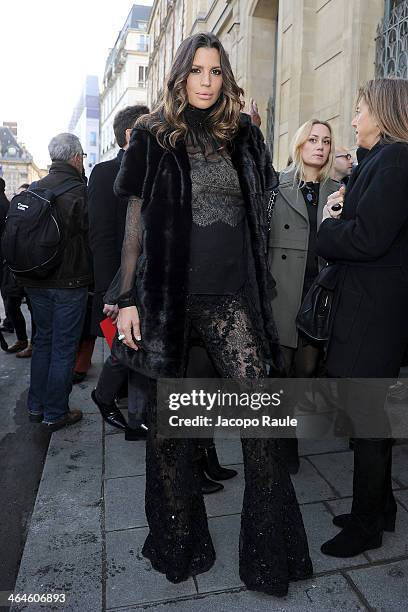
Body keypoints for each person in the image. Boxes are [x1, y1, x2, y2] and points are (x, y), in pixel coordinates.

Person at [113, 32, 312, 596]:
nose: (205, 79)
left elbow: (266, 198)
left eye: (215, 70)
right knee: (171, 433)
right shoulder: (153, 135)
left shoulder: (244, 134)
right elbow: (135, 226)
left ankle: (269, 555)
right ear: (180, 75)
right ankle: (180, 542)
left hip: (233, 299)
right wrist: (127, 298)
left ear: (225, 77)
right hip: (169, 300)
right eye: (196, 70)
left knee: (263, 425)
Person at [316, 78, 408, 557]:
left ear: (383, 112)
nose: (352, 120)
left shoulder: (394, 160)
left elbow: (368, 240)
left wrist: (329, 227)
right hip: (370, 309)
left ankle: (367, 525)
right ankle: (382, 508)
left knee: (367, 421)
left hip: (374, 314)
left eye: (359, 110)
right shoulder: (380, 161)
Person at [268, 119, 338, 472]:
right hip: (283, 288)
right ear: (299, 144)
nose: (320, 146)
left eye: (326, 141)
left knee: (306, 370)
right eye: (313, 139)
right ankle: (285, 442)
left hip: (318, 292)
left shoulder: (340, 191)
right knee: (280, 370)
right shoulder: (277, 186)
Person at [19, 133, 92, 431]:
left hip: (35, 281)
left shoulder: (34, 189)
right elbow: (92, 238)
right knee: (63, 347)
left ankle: (36, 407)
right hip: (69, 283)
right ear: (75, 158)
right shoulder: (79, 192)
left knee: (43, 342)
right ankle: (55, 412)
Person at [89, 105, 150, 439]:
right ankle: (109, 398)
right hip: (121, 283)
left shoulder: (150, 168)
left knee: (137, 347)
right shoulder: (103, 172)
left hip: (144, 278)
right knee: (129, 348)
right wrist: (112, 293)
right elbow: (102, 238)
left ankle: (135, 418)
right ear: (131, 134)